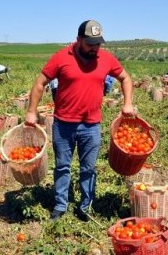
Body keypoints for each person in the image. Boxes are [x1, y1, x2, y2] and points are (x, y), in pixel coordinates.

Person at [24, 20, 135, 222]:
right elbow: (40, 82)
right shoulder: (61, 57)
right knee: (62, 166)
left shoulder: (106, 59)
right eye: (90, 43)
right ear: (78, 40)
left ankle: (86, 206)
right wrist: (32, 111)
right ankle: (60, 205)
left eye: (98, 44)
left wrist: (128, 103)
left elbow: (126, 78)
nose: (95, 48)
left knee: (88, 168)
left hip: (91, 125)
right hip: (63, 124)